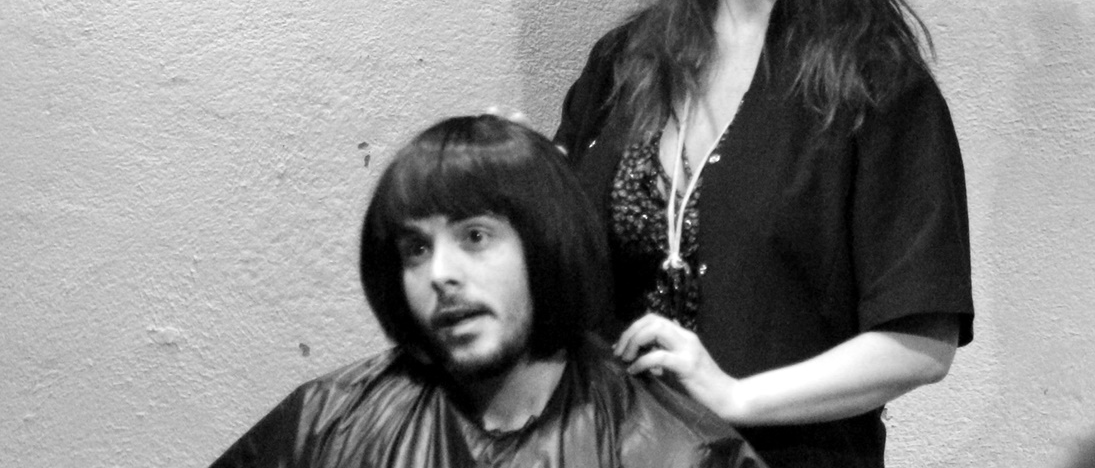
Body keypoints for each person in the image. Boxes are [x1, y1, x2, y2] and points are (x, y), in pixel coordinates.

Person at [554, 0, 974, 468]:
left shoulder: (875, 81)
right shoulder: (623, 63)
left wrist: (737, 398)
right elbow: (556, 267)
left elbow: (921, 339)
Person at [209, 115, 764, 468]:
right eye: (416, 249)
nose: (440, 274)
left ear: (544, 245)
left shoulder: (674, 453)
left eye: (475, 237)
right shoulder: (326, 426)